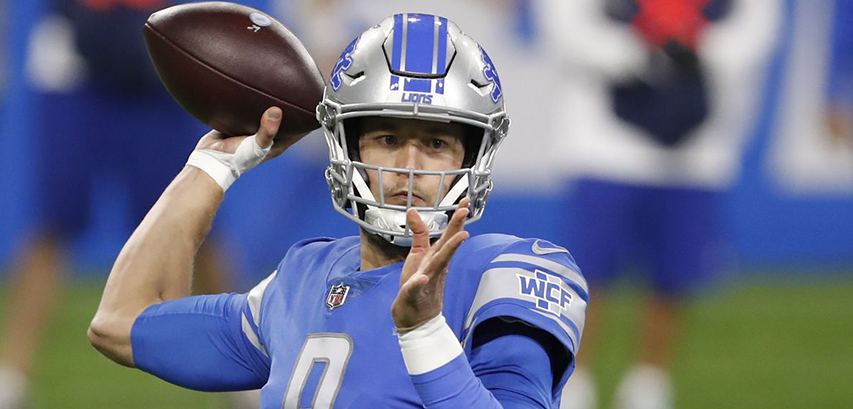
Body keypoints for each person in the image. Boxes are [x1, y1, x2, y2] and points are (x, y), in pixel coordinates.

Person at [87, 13, 588, 408]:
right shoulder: (300, 279)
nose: (409, 168)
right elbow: (120, 323)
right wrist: (211, 167)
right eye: (387, 139)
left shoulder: (507, 273)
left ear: (471, 158)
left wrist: (425, 334)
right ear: (348, 147)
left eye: (436, 143)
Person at [537, 1, 781, 408]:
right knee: (586, 272)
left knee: (673, 275)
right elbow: (566, 26)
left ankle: (649, 384)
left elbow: (756, 27)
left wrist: (698, 50)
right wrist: (641, 53)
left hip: (696, 145)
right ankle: (573, 381)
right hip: (602, 143)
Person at [0, 1, 236, 407]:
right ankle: (11, 373)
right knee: (53, 222)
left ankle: (247, 366)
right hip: (74, 62)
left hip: (152, 60)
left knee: (199, 210)